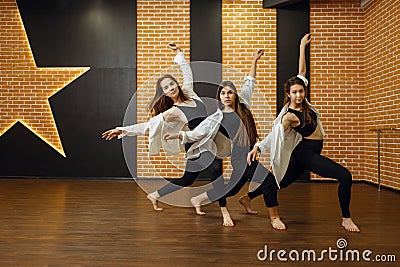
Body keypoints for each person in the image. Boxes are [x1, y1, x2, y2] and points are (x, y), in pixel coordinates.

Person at [244, 33, 360, 232]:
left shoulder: (304, 103)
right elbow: (275, 134)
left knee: (283, 182)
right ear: (288, 94)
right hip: (306, 153)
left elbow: (302, 71)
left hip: (307, 149)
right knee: (345, 176)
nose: (299, 95)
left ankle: (247, 198)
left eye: (301, 91)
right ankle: (346, 218)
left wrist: (301, 47)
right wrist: (258, 147)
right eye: (295, 92)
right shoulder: (287, 116)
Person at [102, 42, 223, 211]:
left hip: (205, 137)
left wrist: (180, 54)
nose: (170, 88)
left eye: (171, 84)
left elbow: (187, 73)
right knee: (216, 169)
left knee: (187, 179)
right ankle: (219, 207)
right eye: (166, 88)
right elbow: (148, 126)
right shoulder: (172, 112)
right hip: (195, 144)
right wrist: (122, 130)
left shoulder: (189, 92)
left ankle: (155, 195)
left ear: (176, 84)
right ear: (164, 93)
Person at [164, 49, 267, 227]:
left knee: (232, 189)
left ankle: (199, 199)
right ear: (219, 97)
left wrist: (254, 61)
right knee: (223, 176)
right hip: (232, 155)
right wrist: (179, 134)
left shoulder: (244, 104)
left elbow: (249, 83)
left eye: (230, 92)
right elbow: (199, 132)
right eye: (223, 93)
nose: (227, 96)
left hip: (247, 153)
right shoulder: (216, 117)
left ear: (235, 94)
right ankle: (227, 212)